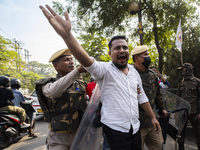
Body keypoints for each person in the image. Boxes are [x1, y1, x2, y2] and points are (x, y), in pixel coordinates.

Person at [39, 5, 161, 150]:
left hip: (135, 128)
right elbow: (85, 60)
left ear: (128, 52)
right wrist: (67, 35)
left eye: (124, 47)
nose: (121, 50)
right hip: (115, 130)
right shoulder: (104, 69)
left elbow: (142, 97)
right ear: (110, 54)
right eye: (117, 48)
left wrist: (153, 117)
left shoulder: (134, 72)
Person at [35, 48, 88, 150]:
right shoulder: (48, 84)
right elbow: (53, 92)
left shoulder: (80, 84)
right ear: (56, 66)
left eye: (71, 59)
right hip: (58, 138)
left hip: (80, 135)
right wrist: (77, 71)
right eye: (66, 60)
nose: (71, 62)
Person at [131, 45, 168, 150]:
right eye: (145, 55)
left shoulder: (153, 75)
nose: (148, 57)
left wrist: (162, 109)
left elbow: (157, 95)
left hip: (152, 121)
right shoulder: (129, 74)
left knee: (158, 146)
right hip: (136, 123)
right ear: (137, 57)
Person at [177, 63, 200, 150]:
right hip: (183, 112)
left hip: (194, 113)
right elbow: (178, 98)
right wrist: (177, 112)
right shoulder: (181, 83)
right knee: (180, 133)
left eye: (183, 70)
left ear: (189, 70)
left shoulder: (197, 82)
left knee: (198, 133)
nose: (182, 72)